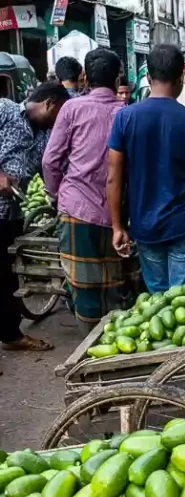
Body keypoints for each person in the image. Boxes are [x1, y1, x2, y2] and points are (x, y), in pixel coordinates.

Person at [107, 44, 185, 292]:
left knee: (158, 298)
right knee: (184, 299)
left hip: (145, 226)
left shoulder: (125, 118)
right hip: (183, 224)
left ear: (148, 78)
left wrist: (118, 227)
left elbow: (113, 179)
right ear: (181, 75)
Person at [43, 49, 125, 334]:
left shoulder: (72, 108)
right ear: (117, 79)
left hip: (76, 207)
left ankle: (89, 344)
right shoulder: (126, 113)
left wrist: (56, 195)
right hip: (117, 212)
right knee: (115, 283)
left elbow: (50, 160)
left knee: (82, 284)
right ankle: (114, 339)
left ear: (85, 78)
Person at [0, 83, 69, 351]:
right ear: (49, 103)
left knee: (6, 278)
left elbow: (50, 167)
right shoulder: (6, 110)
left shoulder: (46, 136)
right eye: (59, 113)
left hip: (10, 214)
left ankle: (10, 335)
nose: (59, 120)